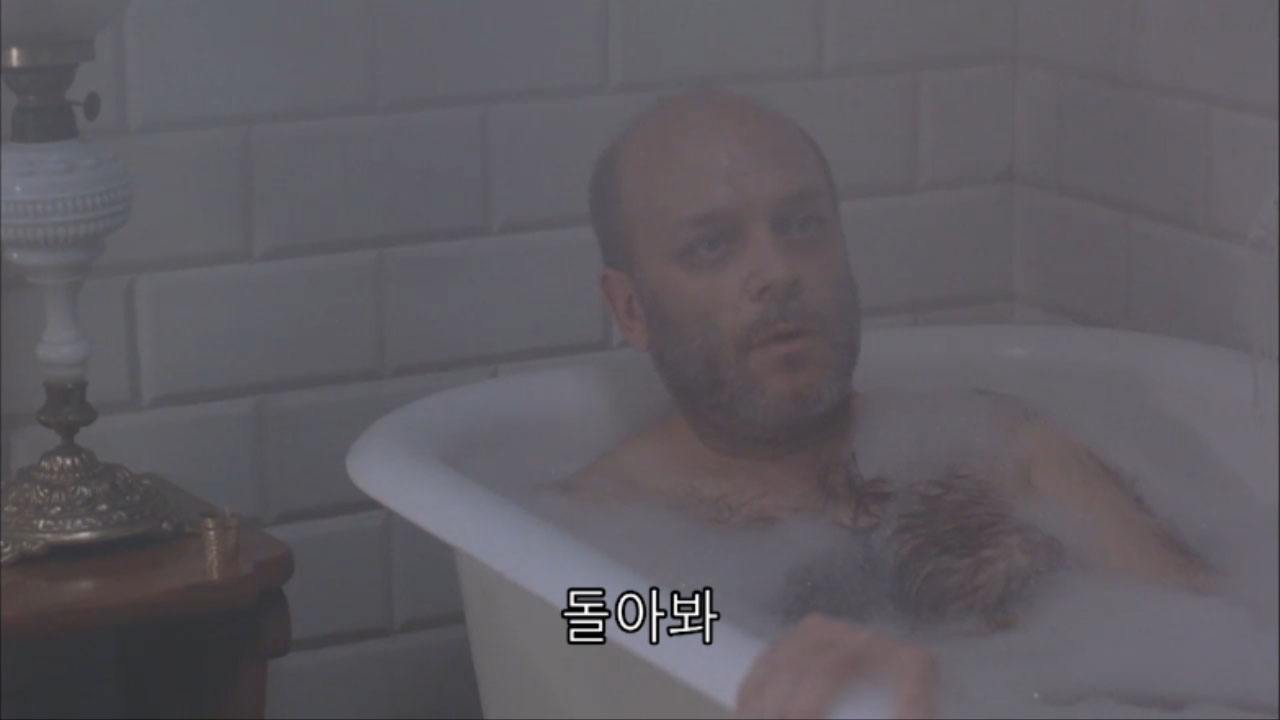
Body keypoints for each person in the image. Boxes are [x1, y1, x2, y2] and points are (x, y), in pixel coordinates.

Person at [552, 88, 1212, 719]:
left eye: (803, 225)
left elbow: (1214, 642)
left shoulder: (1002, 448)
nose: (778, 272)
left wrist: (957, 693)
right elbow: (596, 635)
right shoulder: (598, 528)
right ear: (630, 310)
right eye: (711, 245)